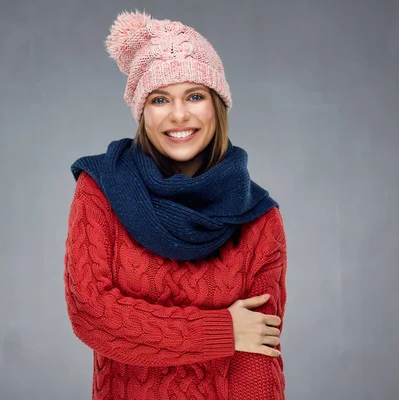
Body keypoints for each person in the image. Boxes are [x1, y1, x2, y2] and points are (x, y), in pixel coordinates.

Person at [63, 10, 288, 400]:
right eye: (160, 98)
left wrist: (156, 327)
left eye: (195, 96)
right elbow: (93, 314)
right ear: (142, 111)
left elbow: (258, 356)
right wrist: (221, 331)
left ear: (217, 105)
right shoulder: (101, 191)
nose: (179, 115)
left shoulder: (258, 217)